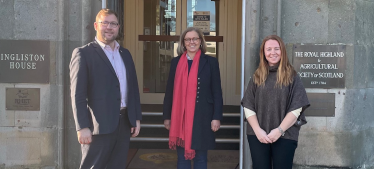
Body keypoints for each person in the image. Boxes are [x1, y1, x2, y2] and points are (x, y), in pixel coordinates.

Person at [70, 9, 142, 169]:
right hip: (97, 127)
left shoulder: (125, 54)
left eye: (114, 24)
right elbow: (78, 95)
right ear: (96, 25)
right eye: (105, 23)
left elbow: (133, 88)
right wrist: (82, 127)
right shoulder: (83, 54)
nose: (109, 27)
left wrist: (135, 117)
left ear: (118, 27)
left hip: (123, 124)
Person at [241, 35, 310, 169]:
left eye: (276, 49)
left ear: (282, 51)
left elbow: (296, 108)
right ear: (264, 53)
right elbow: (248, 106)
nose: (273, 52)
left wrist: (279, 131)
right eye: (269, 49)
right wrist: (258, 131)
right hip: (258, 135)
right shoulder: (257, 76)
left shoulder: (293, 77)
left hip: (285, 134)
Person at [163, 27, 223, 169]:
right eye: (188, 39)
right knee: (182, 159)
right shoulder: (176, 62)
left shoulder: (211, 62)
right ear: (183, 43)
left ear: (200, 41)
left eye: (195, 38)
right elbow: (170, 91)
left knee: (201, 159)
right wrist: (167, 116)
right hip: (180, 118)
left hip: (203, 116)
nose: (192, 42)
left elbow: (217, 92)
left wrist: (217, 117)